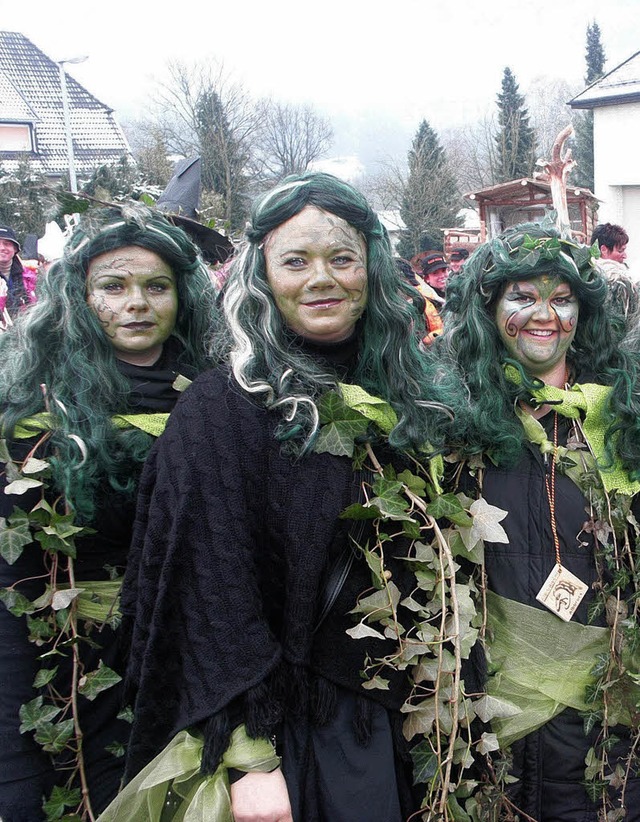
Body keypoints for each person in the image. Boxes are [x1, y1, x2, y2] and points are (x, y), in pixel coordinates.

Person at [101, 172, 465, 822]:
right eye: (295, 260)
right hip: (291, 733)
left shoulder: (409, 400)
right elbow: (211, 595)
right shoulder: (224, 411)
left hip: (397, 721)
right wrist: (250, 761)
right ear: (263, 275)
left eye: (341, 258)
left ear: (372, 271)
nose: (321, 278)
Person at [0, 204, 218, 821]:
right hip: (74, 678)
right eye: (113, 287)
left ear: (184, 297)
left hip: (192, 667)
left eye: (157, 286)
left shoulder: (220, 398)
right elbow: (13, 589)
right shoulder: (37, 421)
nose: (137, 303)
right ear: (79, 296)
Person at [439, 222, 640, 820]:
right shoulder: (448, 423)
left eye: (562, 299)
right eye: (523, 297)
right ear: (489, 307)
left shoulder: (622, 420)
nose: (543, 316)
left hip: (609, 734)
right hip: (494, 734)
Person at [590, 222, 638, 324]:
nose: (625, 256)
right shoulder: (611, 279)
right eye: (620, 251)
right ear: (603, 250)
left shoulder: (623, 272)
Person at [0, 224, 35, 326]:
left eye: (6, 243)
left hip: (28, 334)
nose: (2, 248)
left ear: (15, 249)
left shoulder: (31, 276)